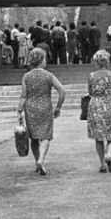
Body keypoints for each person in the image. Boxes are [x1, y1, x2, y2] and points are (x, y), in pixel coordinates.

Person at [17, 48, 66, 176]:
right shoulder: (48, 75)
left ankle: (37, 162)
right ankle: (41, 160)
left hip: (30, 108)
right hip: (45, 107)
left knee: (33, 137)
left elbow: (23, 95)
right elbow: (62, 91)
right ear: (42, 60)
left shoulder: (26, 76)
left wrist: (19, 111)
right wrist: (58, 107)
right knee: (45, 136)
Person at [86, 50, 111, 173]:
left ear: (96, 62)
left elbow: (90, 92)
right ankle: (109, 155)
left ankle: (101, 163)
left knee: (98, 137)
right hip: (110, 104)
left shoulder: (92, 76)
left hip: (96, 105)